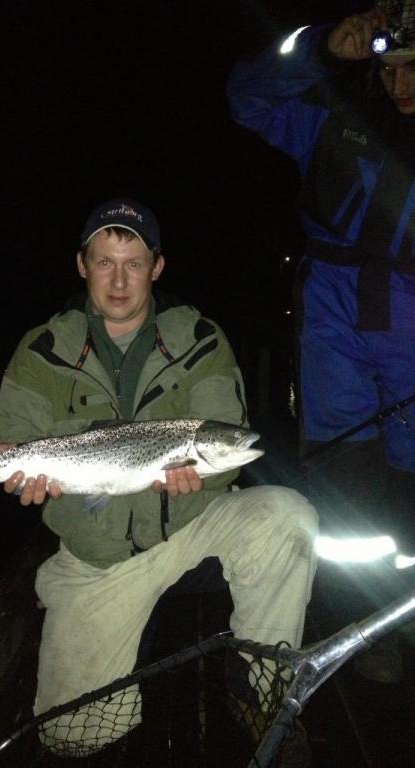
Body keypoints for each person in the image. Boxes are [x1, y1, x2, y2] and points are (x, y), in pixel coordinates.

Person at [0, 198, 318, 756]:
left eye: (134, 263)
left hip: (193, 525)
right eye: (104, 262)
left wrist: (207, 478)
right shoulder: (42, 349)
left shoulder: (200, 338)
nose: (119, 281)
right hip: (97, 555)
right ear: (82, 265)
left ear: (157, 267)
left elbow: (229, 435)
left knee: (287, 517)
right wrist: (18, 475)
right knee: (71, 736)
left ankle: (260, 688)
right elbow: (18, 434)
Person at [227, 2, 415, 683]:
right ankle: (363, 633)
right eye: (390, 69)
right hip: (332, 317)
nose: (401, 85)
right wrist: (319, 48)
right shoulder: (335, 118)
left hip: (410, 322)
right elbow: (247, 97)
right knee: (344, 489)